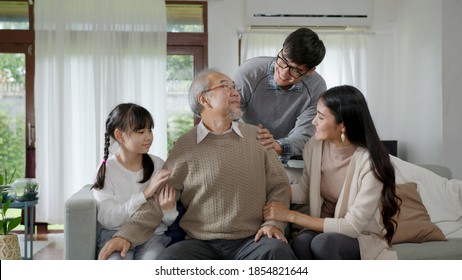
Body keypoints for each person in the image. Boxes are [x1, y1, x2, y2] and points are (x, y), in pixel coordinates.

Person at [98, 69, 296, 260]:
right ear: (204, 99)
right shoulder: (184, 146)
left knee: (278, 252)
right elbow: (157, 201)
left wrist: (274, 223)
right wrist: (125, 236)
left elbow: (278, 187)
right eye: (225, 86)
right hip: (201, 243)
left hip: (253, 241)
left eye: (235, 87)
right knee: (170, 261)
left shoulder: (258, 137)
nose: (235, 92)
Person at [263, 85, 401, 260]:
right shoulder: (314, 146)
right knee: (301, 242)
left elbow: (352, 226)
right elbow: (304, 191)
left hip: (360, 236)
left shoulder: (370, 163)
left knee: (324, 243)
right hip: (323, 231)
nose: (314, 122)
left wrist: (289, 215)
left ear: (342, 125)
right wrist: (265, 191)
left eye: (320, 117)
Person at [92, 103, 178, 260]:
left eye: (150, 130)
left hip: (152, 236)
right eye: (140, 131)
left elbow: (167, 220)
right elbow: (108, 219)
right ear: (119, 135)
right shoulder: (107, 170)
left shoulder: (159, 165)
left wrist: (169, 210)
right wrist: (145, 194)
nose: (148, 137)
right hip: (114, 235)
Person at [233, 27, 327, 164]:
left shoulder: (316, 87)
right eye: (283, 61)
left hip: (290, 155)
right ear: (282, 49)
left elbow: (305, 133)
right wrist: (248, 137)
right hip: (247, 147)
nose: (283, 73)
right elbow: (229, 118)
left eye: (295, 70)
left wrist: (278, 146)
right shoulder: (249, 73)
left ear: (310, 71)